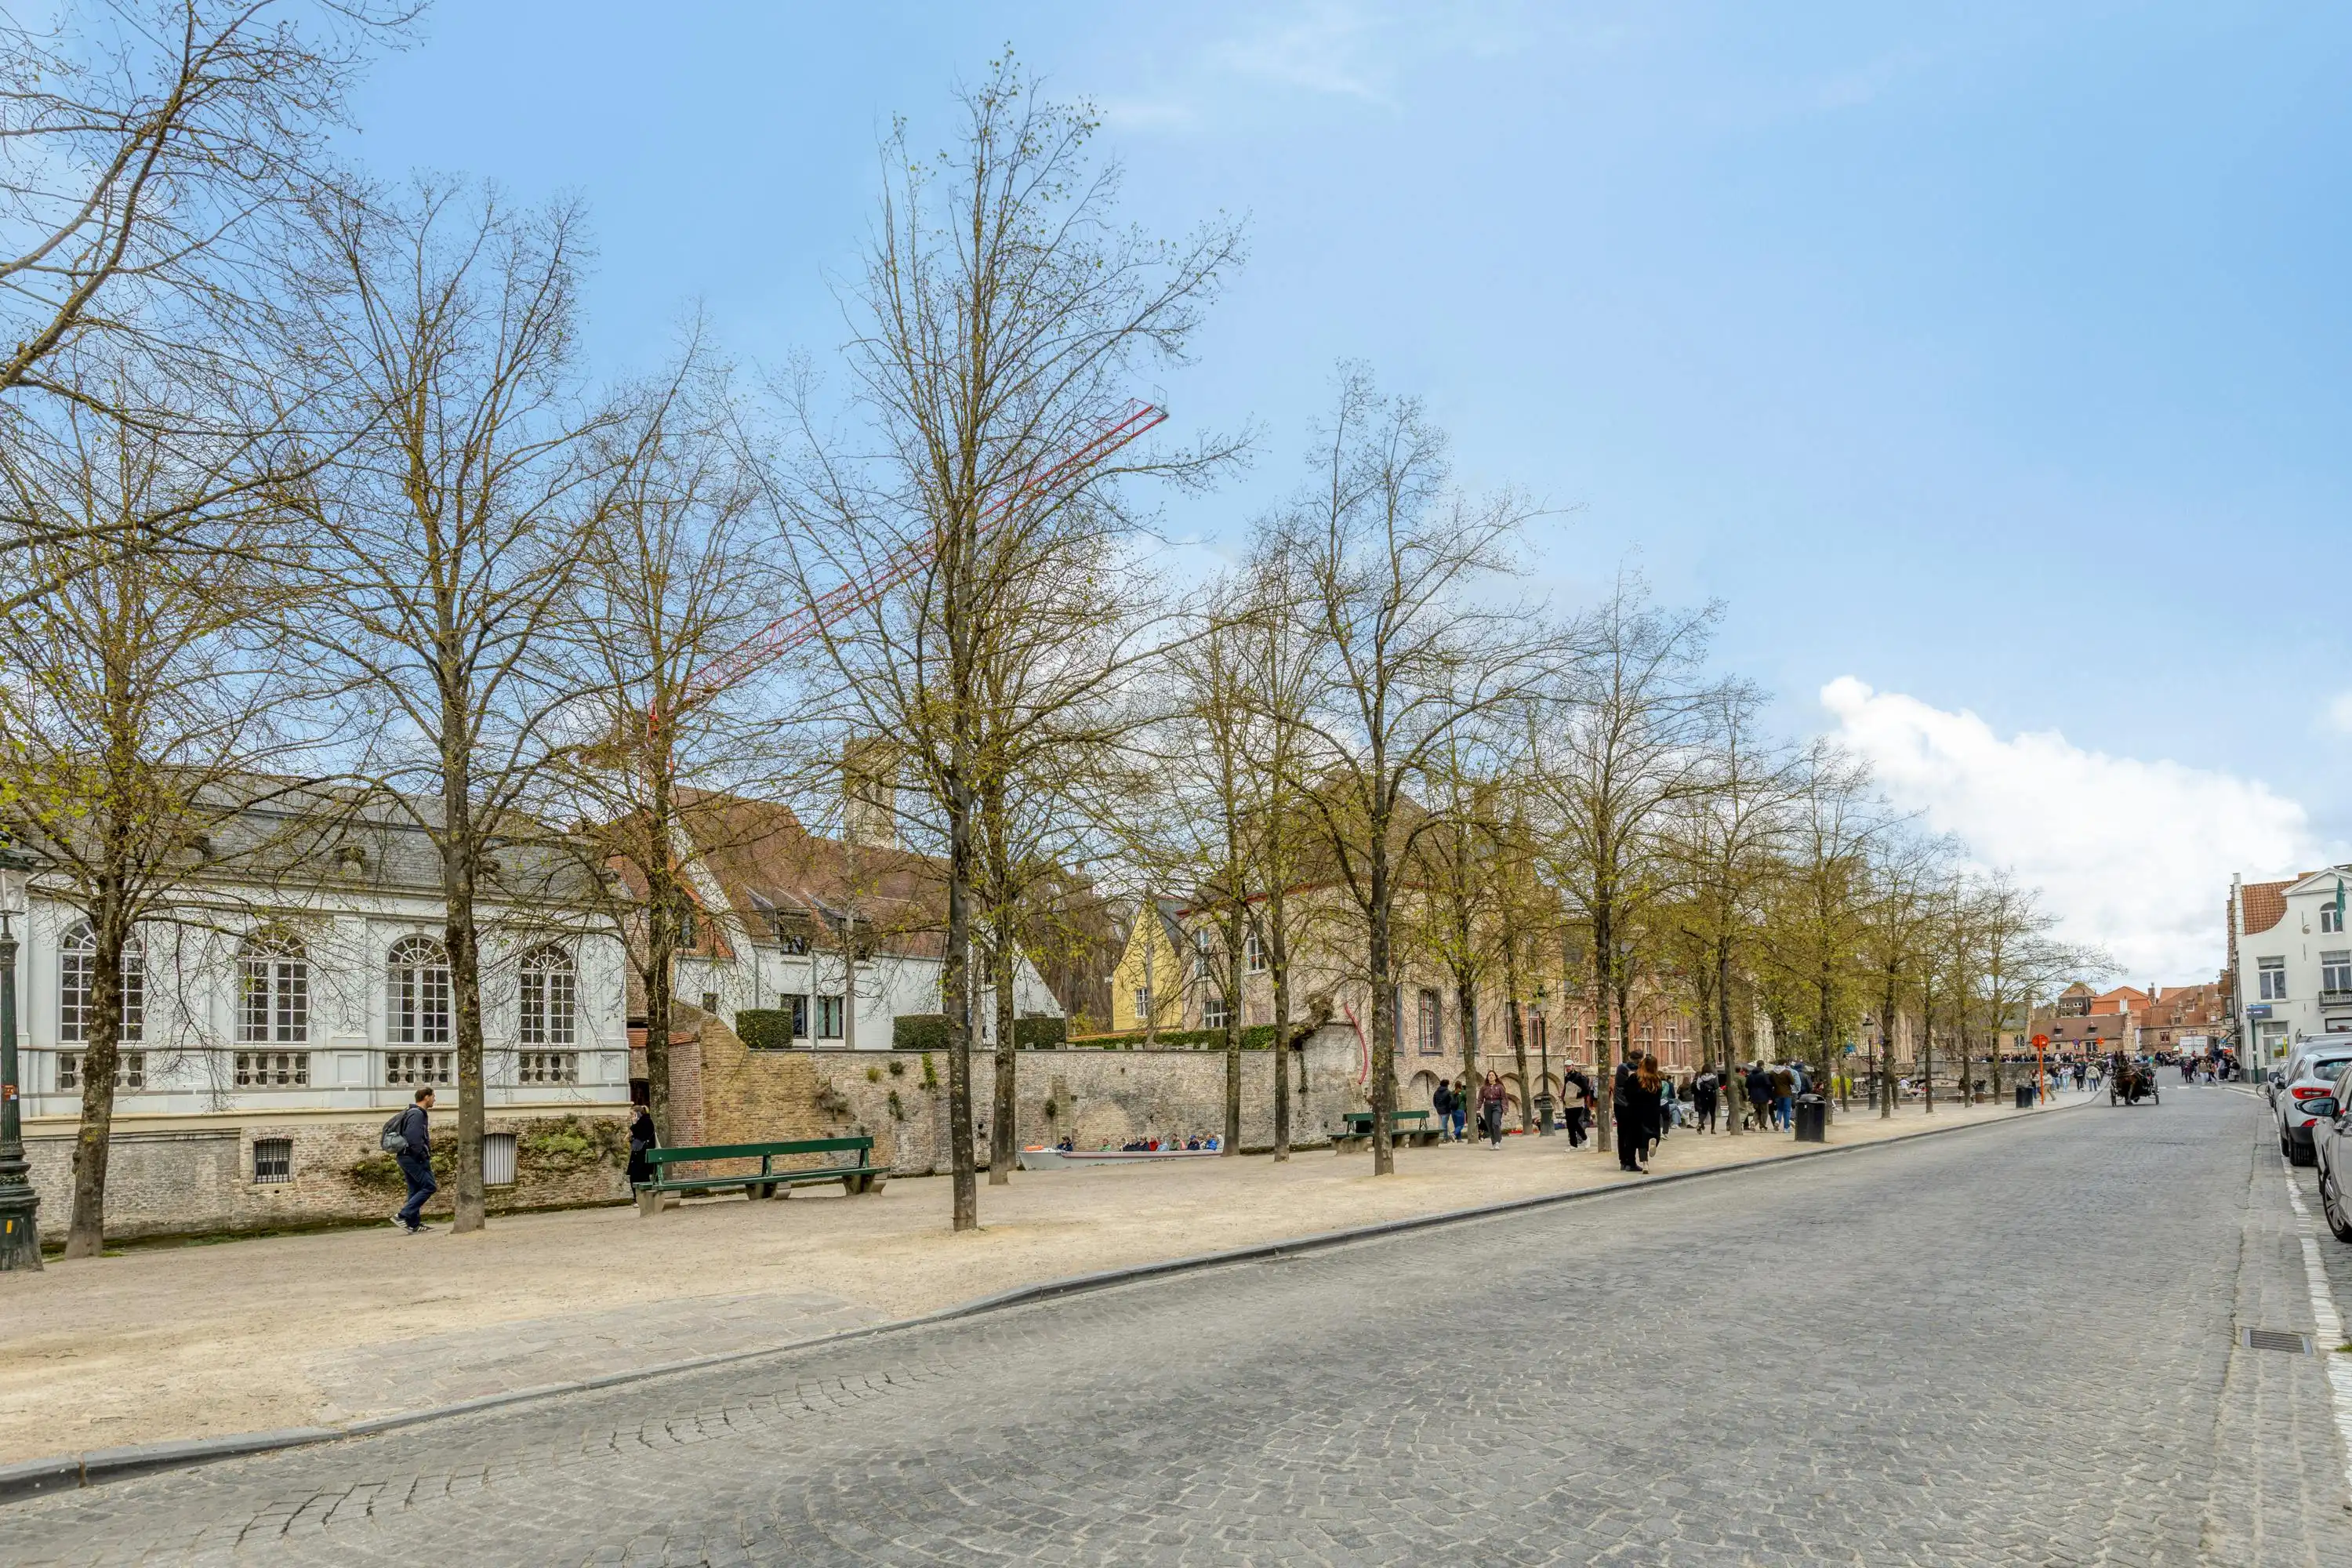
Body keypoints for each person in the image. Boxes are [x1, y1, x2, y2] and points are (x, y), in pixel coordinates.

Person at [390, 1087, 437, 1235]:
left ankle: (413, 1224)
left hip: (405, 1156)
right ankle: (402, 1216)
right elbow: (413, 1139)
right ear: (426, 1097)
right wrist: (422, 1156)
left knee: (415, 1189)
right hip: (413, 1157)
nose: (435, 1100)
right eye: (433, 1096)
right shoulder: (417, 1115)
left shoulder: (412, 1112)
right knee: (430, 1186)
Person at [1613, 1054, 1644, 1171]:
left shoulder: (1622, 1068)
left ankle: (1624, 1161)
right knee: (1630, 1134)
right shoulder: (1627, 1069)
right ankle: (1629, 1162)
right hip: (1627, 1105)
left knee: (1622, 1134)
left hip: (1620, 1104)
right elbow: (1628, 1088)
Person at [626, 1100, 657, 1188]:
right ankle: (637, 1199)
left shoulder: (647, 1122)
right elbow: (632, 1138)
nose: (631, 1117)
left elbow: (640, 1136)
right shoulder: (640, 1123)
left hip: (643, 1155)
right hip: (637, 1154)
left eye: (632, 1114)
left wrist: (635, 1125)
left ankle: (642, 1199)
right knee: (634, 1178)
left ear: (638, 1114)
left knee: (641, 1177)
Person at [1561, 1065, 1593, 1147]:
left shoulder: (1580, 1077)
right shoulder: (1567, 1077)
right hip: (1568, 1104)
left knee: (1575, 1123)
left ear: (1573, 1066)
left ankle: (1585, 1138)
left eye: (1569, 1066)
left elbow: (1586, 1091)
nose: (1567, 1068)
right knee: (1570, 1124)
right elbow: (1566, 1089)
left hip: (1578, 1104)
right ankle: (1573, 1144)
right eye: (1566, 1066)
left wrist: (1576, 1096)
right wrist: (1564, 1097)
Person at [1479, 1070, 1509, 1149]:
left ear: (1495, 1077)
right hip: (1488, 1106)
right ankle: (1494, 1143)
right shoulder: (1484, 1087)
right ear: (1487, 1077)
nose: (1491, 1076)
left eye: (1492, 1075)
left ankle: (1498, 1141)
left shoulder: (1500, 1087)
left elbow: (1504, 1098)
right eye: (1489, 1075)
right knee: (1489, 1125)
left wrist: (1505, 1108)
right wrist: (1478, 1108)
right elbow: (1480, 1099)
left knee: (1495, 1123)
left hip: (1497, 1106)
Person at [1744, 1062, 1772, 1131]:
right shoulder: (1763, 1074)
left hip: (1754, 1095)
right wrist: (1770, 1095)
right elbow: (1768, 1085)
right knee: (1764, 1111)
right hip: (1763, 1095)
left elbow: (1747, 1085)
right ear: (1762, 1066)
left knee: (1757, 1110)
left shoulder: (1750, 1075)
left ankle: (1754, 1122)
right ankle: (1762, 1126)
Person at [1693, 1069, 1719, 1133]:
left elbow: (1698, 1087)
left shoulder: (1700, 1078)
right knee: (1712, 1113)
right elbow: (1717, 1086)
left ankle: (1699, 1124)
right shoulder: (1713, 1077)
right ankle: (1713, 1129)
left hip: (1703, 1096)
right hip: (1712, 1096)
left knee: (1704, 1112)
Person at [1432, 1077, 1457, 1142]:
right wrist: (1450, 1107)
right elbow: (1452, 1101)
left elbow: (1434, 1101)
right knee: (1443, 1125)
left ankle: (1446, 1138)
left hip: (1439, 1111)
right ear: (1447, 1085)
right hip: (1446, 1111)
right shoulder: (1448, 1092)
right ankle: (1442, 1138)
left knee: (1444, 1124)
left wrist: (1437, 1107)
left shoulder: (1436, 1092)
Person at [1450, 1077, 1471, 1142]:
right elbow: (1467, 1100)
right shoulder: (1463, 1092)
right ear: (1461, 1085)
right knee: (1461, 1125)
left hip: (1453, 1111)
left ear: (1455, 1086)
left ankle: (1459, 1139)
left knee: (1456, 1125)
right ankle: (1454, 1134)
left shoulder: (1452, 1093)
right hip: (1460, 1110)